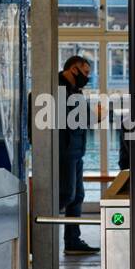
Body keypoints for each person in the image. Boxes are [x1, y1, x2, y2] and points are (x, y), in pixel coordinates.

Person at [58, 54, 97, 254]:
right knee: (66, 194)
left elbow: (86, 118)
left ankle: (72, 240)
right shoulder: (56, 88)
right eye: (86, 72)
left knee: (77, 195)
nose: (87, 77)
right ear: (74, 69)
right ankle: (35, 232)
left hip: (76, 150)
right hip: (63, 151)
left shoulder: (76, 91)